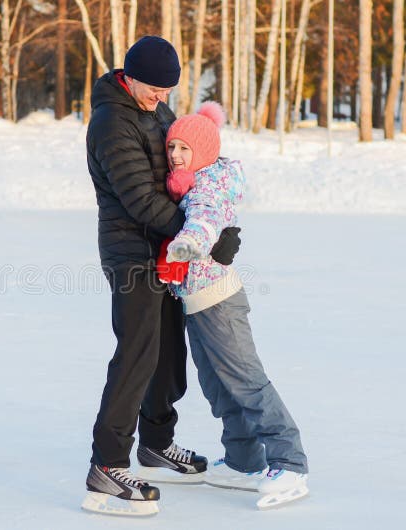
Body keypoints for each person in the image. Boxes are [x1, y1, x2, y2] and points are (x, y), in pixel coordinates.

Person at [82, 36, 241, 517]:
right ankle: (107, 465)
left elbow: (191, 167)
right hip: (131, 250)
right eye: (155, 88)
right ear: (130, 78)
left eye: (169, 90)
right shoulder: (111, 122)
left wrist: (213, 214)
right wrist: (203, 237)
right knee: (137, 351)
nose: (162, 98)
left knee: (170, 351)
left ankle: (154, 442)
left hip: (168, 249)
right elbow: (140, 201)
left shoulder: (156, 112)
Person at [163, 102, 309, 509]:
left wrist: (192, 241)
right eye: (172, 146)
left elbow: (205, 219)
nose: (176, 154)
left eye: (184, 148)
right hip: (197, 301)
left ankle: (289, 460)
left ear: (204, 151)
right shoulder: (191, 180)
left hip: (218, 301)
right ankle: (244, 459)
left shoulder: (208, 184)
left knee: (245, 380)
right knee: (216, 384)